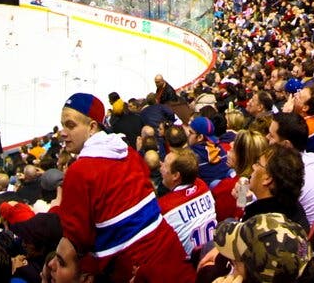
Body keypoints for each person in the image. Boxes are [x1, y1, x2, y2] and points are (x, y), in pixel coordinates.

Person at [51, 93, 191, 283]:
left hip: (137, 268)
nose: (63, 132)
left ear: (92, 127)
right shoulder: (128, 151)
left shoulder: (79, 171)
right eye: (62, 125)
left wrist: (56, 208)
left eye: (70, 125)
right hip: (171, 251)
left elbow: (78, 237)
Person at [157, 148, 218, 258]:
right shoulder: (202, 185)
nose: (160, 166)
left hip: (193, 266)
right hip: (216, 251)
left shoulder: (164, 208)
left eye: (165, 165)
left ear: (176, 176)